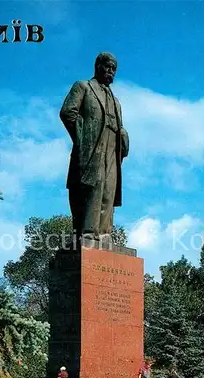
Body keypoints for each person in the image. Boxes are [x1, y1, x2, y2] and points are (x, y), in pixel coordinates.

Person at [60, 52, 129, 242]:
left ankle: (105, 234)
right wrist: (84, 140)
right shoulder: (83, 87)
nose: (111, 72)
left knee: (109, 190)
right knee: (91, 188)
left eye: (114, 69)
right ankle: (87, 233)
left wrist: (123, 136)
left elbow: (119, 125)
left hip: (112, 150)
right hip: (92, 148)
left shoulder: (116, 102)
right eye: (108, 67)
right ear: (98, 66)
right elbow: (68, 112)